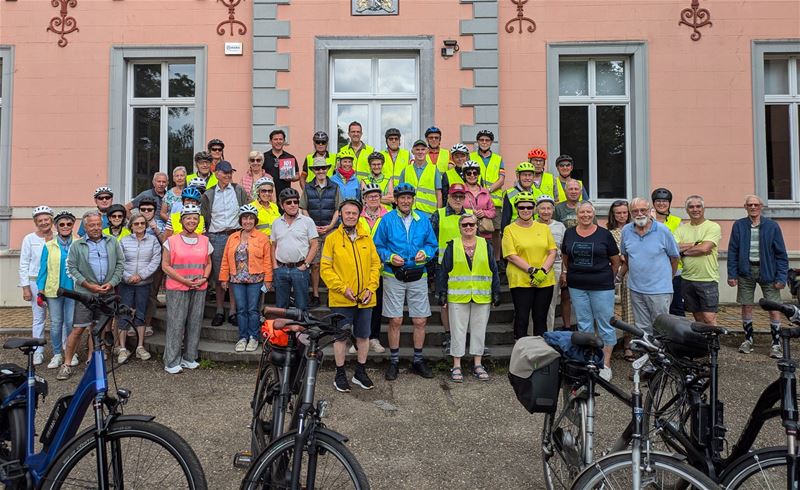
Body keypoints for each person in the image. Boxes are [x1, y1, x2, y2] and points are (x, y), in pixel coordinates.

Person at [373, 183, 438, 380]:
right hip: (394, 275)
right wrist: (390, 257)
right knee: (395, 320)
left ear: (413, 199)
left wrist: (425, 254)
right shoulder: (387, 219)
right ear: (396, 200)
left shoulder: (423, 219)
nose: (406, 201)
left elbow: (432, 244)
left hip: (418, 274)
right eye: (402, 197)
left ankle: (418, 360)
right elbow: (378, 245)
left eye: (409, 197)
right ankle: (394, 361)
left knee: (420, 320)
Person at [321, 199, 381, 392]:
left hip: (365, 298)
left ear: (358, 215)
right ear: (340, 214)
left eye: (354, 213)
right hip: (341, 298)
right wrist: (341, 288)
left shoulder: (365, 237)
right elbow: (325, 269)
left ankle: (360, 372)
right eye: (347, 213)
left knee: (363, 336)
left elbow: (375, 265)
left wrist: (370, 288)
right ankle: (340, 374)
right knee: (340, 337)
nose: (351, 216)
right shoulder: (332, 239)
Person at [59, 211, 125, 380]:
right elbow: (72, 269)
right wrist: (88, 285)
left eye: (98, 224)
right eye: (91, 225)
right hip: (85, 294)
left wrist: (112, 283)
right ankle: (66, 364)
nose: (96, 228)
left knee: (98, 328)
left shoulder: (112, 242)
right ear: (85, 227)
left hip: (106, 292)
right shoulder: (77, 245)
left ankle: (91, 362)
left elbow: (120, 264)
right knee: (78, 328)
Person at [561, 201, 621, 381]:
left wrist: (605, 277)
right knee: (584, 323)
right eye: (582, 212)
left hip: (602, 286)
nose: (585, 215)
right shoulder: (569, 233)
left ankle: (605, 363)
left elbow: (615, 261)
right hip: (577, 286)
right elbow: (566, 257)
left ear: (593, 214)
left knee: (605, 324)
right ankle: (589, 360)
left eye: (588, 212)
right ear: (577, 214)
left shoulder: (604, 234)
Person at [437, 213, 501, 382]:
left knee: (479, 330)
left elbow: (493, 269)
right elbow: (444, 271)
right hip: (458, 296)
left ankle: (478, 364)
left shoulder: (485, 245)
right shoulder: (453, 245)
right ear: (460, 227)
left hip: (481, 295)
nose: (468, 228)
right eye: (464, 225)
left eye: (471, 225)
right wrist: (442, 292)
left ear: (476, 227)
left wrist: (496, 291)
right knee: (457, 331)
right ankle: (456, 364)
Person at [728, 195, 789, 357]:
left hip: (769, 271)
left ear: (761, 206)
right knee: (746, 305)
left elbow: (781, 254)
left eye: (756, 204)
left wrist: (782, 277)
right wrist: (732, 273)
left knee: (774, 307)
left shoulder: (772, 226)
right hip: (745, 271)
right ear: (745, 207)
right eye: (750, 205)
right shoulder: (739, 225)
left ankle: (776, 343)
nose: (753, 207)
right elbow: (733, 251)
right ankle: (748, 340)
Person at [617, 198, 680, 337]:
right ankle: (647, 356)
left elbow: (674, 258)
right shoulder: (627, 230)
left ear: (650, 211)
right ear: (630, 213)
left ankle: (662, 357)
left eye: (643, 210)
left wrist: (668, 278)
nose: (639, 214)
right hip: (636, 288)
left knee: (661, 327)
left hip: (660, 290)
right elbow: (626, 257)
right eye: (635, 211)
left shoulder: (663, 230)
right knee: (642, 327)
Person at [161, 204, 211, 374]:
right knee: (176, 323)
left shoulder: (204, 240)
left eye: (195, 218)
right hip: (177, 287)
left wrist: (204, 278)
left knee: (195, 322)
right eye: (188, 218)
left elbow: (208, 263)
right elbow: (165, 266)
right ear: (182, 220)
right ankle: (171, 361)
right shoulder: (171, 241)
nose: (192, 221)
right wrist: (184, 280)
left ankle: (189, 357)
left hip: (199, 286)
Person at [201, 160, 251, 326]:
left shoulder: (239, 190)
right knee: (219, 276)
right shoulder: (208, 194)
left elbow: (246, 211)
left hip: (236, 235)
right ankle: (220, 310)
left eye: (230, 172)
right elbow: (205, 217)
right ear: (217, 174)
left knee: (235, 274)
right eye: (225, 172)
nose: (228, 175)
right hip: (216, 236)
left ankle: (233, 311)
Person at [502, 192, 557, 340]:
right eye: (522, 207)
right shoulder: (509, 229)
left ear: (534, 209)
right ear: (517, 208)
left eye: (529, 207)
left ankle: (540, 354)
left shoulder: (544, 228)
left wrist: (543, 271)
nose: (525, 210)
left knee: (541, 319)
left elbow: (552, 251)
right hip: (521, 280)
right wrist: (532, 270)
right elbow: (511, 255)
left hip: (545, 280)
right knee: (522, 318)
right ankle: (521, 353)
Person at [220, 204, 273, 353]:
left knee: (253, 309)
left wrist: (268, 279)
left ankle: (253, 337)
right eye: (245, 218)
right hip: (236, 279)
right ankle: (242, 337)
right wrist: (224, 278)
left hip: (256, 279)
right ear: (240, 220)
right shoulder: (233, 237)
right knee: (241, 309)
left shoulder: (262, 237)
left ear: (255, 220)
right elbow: (225, 258)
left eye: (251, 218)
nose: (247, 221)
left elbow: (268, 260)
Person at [431, 184, 473, 354]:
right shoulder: (438, 215)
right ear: (448, 197)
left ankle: (466, 336)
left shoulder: (470, 216)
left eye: (461, 197)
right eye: (454, 196)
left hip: (468, 266)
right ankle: (449, 336)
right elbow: (431, 240)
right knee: (445, 303)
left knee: (468, 302)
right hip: (443, 267)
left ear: (465, 198)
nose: (457, 199)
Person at [117, 210, 161, 363]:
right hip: (126, 283)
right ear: (131, 226)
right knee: (124, 314)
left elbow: (155, 261)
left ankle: (140, 347)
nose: (140, 226)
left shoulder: (153, 241)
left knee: (141, 313)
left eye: (142, 223)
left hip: (144, 283)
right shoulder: (123, 241)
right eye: (136, 223)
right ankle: (122, 348)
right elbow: (119, 262)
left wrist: (140, 275)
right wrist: (128, 277)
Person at [37, 210, 79, 369]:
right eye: (62, 224)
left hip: (73, 291)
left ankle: (71, 352)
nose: (66, 227)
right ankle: (56, 354)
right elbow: (43, 270)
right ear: (56, 226)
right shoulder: (48, 245)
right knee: (56, 324)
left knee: (70, 323)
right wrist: (40, 291)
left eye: (69, 224)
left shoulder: (79, 243)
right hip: (53, 291)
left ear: (73, 225)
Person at [300, 157, 341, 307]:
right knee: (315, 264)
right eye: (318, 168)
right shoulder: (308, 187)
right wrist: (312, 225)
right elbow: (303, 208)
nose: (321, 171)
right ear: (313, 171)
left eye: (323, 168)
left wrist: (330, 226)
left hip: (331, 231)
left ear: (327, 169)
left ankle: (332, 293)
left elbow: (338, 209)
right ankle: (316, 295)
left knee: (333, 264)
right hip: (314, 232)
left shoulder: (335, 187)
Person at [674, 195, 722, 326]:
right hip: (687, 278)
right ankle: (703, 345)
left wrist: (684, 252)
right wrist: (696, 244)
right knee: (698, 317)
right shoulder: (681, 229)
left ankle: (714, 345)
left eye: (698, 206)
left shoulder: (712, 227)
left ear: (703, 208)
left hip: (707, 279)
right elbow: (674, 248)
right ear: (687, 210)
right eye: (691, 207)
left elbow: (705, 248)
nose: (695, 209)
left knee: (709, 317)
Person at [271, 188, 319, 311]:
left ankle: (300, 330)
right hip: (281, 268)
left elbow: (314, 244)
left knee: (302, 306)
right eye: (288, 202)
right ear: (282, 205)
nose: (293, 205)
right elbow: (273, 245)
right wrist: (275, 266)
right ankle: (284, 330)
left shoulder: (307, 221)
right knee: (281, 307)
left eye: (295, 202)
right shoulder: (276, 223)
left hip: (300, 269)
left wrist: (306, 264)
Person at [356, 183, 389, 354]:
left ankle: (374, 338)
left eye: (376, 195)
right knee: (359, 304)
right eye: (370, 196)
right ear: (364, 199)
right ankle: (359, 338)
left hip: (381, 268)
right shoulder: (357, 216)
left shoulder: (388, 215)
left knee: (376, 305)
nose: (373, 198)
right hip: (359, 267)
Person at [20, 205, 54, 365]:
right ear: (36, 222)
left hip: (54, 282)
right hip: (34, 283)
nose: (44, 222)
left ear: (51, 220)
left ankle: (59, 351)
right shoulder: (29, 239)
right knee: (39, 318)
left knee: (57, 319)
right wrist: (25, 287)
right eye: (40, 220)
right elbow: (24, 263)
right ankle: (38, 351)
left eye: (46, 219)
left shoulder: (58, 236)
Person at [605, 199, 635, 359]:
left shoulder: (636, 229)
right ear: (613, 215)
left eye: (625, 212)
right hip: (625, 274)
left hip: (644, 273)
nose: (622, 216)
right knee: (628, 309)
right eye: (619, 213)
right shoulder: (611, 233)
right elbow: (619, 256)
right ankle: (627, 344)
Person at [469, 130, 505, 262]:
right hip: (474, 200)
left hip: (494, 202)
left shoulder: (498, 159)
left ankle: (496, 260)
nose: (484, 142)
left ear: (491, 142)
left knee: (495, 231)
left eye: (487, 140)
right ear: (478, 142)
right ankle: (477, 258)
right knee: (473, 229)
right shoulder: (471, 156)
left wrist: (487, 190)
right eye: (482, 140)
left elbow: (501, 179)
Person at [651, 187, 685, 316]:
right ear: (653, 203)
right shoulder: (648, 221)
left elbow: (680, 245)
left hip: (674, 271)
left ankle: (679, 336)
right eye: (658, 201)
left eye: (665, 201)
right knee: (657, 308)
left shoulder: (677, 221)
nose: (661, 203)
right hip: (654, 271)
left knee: (676, 308)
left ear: (669, 203)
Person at [400, 139, 442, 219]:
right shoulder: (405, 170)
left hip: (429, 214)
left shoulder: (434, 169)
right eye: (417, 149)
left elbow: (438, 194)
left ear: (427, 151)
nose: (420, 152)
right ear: (412, 151)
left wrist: (438, 214)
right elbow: (400, 194)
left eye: (423, 149)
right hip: (409, 213)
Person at [461, 160, 495, 241]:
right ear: (464, 175)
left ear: (478, 175)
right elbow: (456, 210)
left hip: (484, 234)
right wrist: (470, 213)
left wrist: (484, 213)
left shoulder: (485, 192)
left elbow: (493, 211)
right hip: (466, 232)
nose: (472, 175)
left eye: (475, 173)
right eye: (469, 173)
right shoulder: (460, 191)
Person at [261, 129, 300, 201]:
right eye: (275, 139)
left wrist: (291, 178)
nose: (278, 141)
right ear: (270, 141)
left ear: (284, 141)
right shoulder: (263, 157)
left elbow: (298, 176)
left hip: (285, 195)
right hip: (267, 194)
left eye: (280, 139)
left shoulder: (290, 157)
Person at [500, 161, 536, 232]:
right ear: (518, 176)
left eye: (530, 175)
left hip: (535, 233)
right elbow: (505, 219)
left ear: (533, 176)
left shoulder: (539, 193)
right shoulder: (509, 193)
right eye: (524, 175)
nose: (527, 178)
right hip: (515, 233)